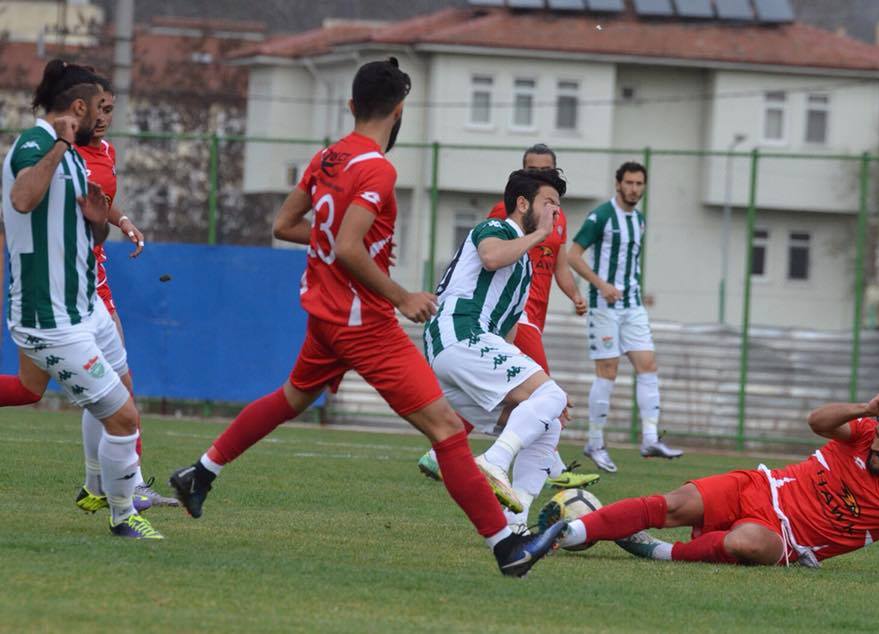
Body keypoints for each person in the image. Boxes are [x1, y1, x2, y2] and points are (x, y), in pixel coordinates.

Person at [168, 58, 564, 576]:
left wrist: (337, 246)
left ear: (352, 105)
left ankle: (201, 473)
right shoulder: (377, 168)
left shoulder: (328, 158)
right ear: (399, 112)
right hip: (362, 321)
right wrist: (399, 295)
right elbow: (351, 246)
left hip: (324, 311)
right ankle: (506, 546)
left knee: (290, 398)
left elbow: (285, 225)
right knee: (447, 430)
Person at [2, 59, 161, 538]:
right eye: (100, 108)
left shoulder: (76, 155)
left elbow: (76, 225)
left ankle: (110, 493)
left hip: (84, 306)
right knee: (123, 415)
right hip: (51, 317)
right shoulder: (37, 144)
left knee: (41, 391)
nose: (105, 116)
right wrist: (61, 145)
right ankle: (121, 513)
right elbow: (23, 199)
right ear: (78, 107)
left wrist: (99, 218)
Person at [540, 392, 879, 573]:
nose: (876, 447)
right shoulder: (866, 430)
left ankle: (657, 551)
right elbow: (817, 422)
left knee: (745, 544)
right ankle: (569, 531)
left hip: (784, 538)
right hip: (762, 486)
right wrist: (865, 407)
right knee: (673, 504)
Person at [416, 144, 597, 493]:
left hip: (457, 348)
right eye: (549, 204)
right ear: (524, 204)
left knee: (546, 425)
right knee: (551, 397)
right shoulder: (497, 227)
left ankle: (515, 526)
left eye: (557, 207)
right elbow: (491, 258)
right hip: (460, 333)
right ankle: (494, 461)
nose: (555, 213)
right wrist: (540, 234)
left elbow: (509, 335)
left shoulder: (525, 265)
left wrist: (528, 390)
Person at [567, 161, 682, 472]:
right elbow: (572, 255)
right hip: (603, 307)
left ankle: (649, 438)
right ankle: (594, 441)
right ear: (618, 184)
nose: (634, 188)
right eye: (629, 183)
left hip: (632, 306)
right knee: (608, 370)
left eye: (639, 184)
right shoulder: (601, 216)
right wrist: (601, 285)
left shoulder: (640, 221)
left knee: (648, 365)